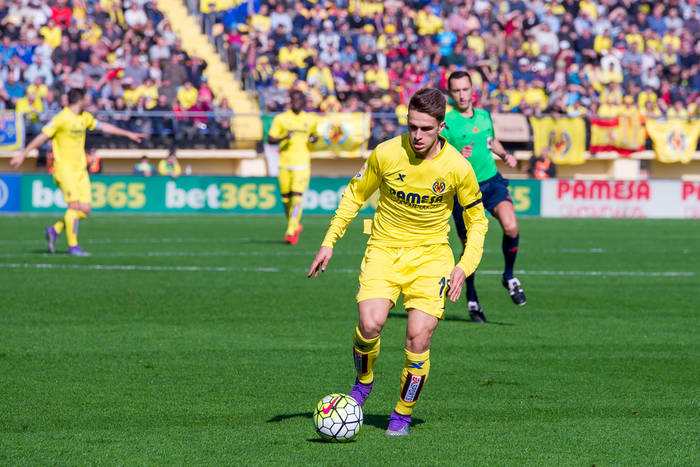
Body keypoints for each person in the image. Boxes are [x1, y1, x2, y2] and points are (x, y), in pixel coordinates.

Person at [308, 88, 488, 437]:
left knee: (418, 338)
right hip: (384, 250)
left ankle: (402, 414)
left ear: (441, 127)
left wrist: (463, 266)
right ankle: (363, 382)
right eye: (412, 126)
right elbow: (354, 195)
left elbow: (477, 222)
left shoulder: (457, 167)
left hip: (432, 258)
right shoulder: (386, 153)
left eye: (426, 129)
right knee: (370, 323)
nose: (417, 135)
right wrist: (329, 242)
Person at [10, 89, 144, 256]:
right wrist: (23, 154)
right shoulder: (61, 118)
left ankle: (54, 230)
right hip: (64, 169)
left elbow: (103, 126)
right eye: (86, 99)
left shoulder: (84, 117)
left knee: (85, 210)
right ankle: (73, 246)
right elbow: (42, 136)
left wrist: (128, 133)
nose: (88, 102)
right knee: (74, 206)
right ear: (80, 100)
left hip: (80, 170)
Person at [443, 71, 526, 324]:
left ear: (472, 90)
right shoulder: (447, 122)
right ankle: (472, 297)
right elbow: (439, 156)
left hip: (491, 181)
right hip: (465, 189)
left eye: (465, 89)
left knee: (511, 227)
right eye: (456, 90)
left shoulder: (484, 116)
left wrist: (505, 154)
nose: (461, 95)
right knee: (470, 247)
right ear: (451, 93)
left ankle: (509, 276)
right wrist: (458, 155)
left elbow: (491, 141)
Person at [267, 89, 318, 245]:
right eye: (294, 99)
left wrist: (314, 138)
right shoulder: (281, 119)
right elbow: (270, 139)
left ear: (303, 101)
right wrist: (284, 137)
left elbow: (315, 136)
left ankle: (290, 230)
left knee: (297, 196)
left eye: (299, 100)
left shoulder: (310, 119)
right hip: (284, 163)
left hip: (302, 164)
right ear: (290, 101)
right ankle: (295, 224)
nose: (296, 102)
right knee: (285, 199)